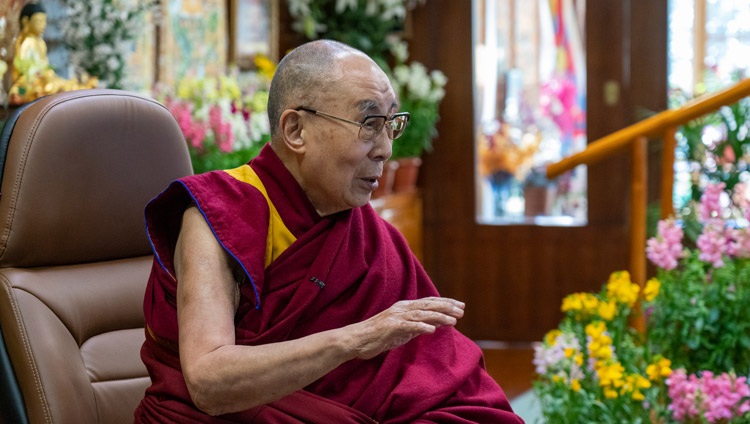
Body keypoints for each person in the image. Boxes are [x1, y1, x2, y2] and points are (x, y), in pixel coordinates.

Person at [135, 39, 523, 423]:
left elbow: (442, 380)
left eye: (391, 124)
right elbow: (209, 382)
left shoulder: (372, 238)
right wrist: (355, 339)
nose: (386, 149)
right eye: (370, 124)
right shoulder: (218, 217)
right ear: (296, 130)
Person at [9, 2, 96, 105]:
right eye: (39, 21)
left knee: (56, 81)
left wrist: (46, 72)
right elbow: (23, 69)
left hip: (42, 77)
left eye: (44, 21)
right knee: (50, 85)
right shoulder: (27, 42)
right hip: (31, 82)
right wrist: (40, 74)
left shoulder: (40, 42)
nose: (43, 25)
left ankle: (77, 87)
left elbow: (44, 65)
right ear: (25, 21)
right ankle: (77, 89)